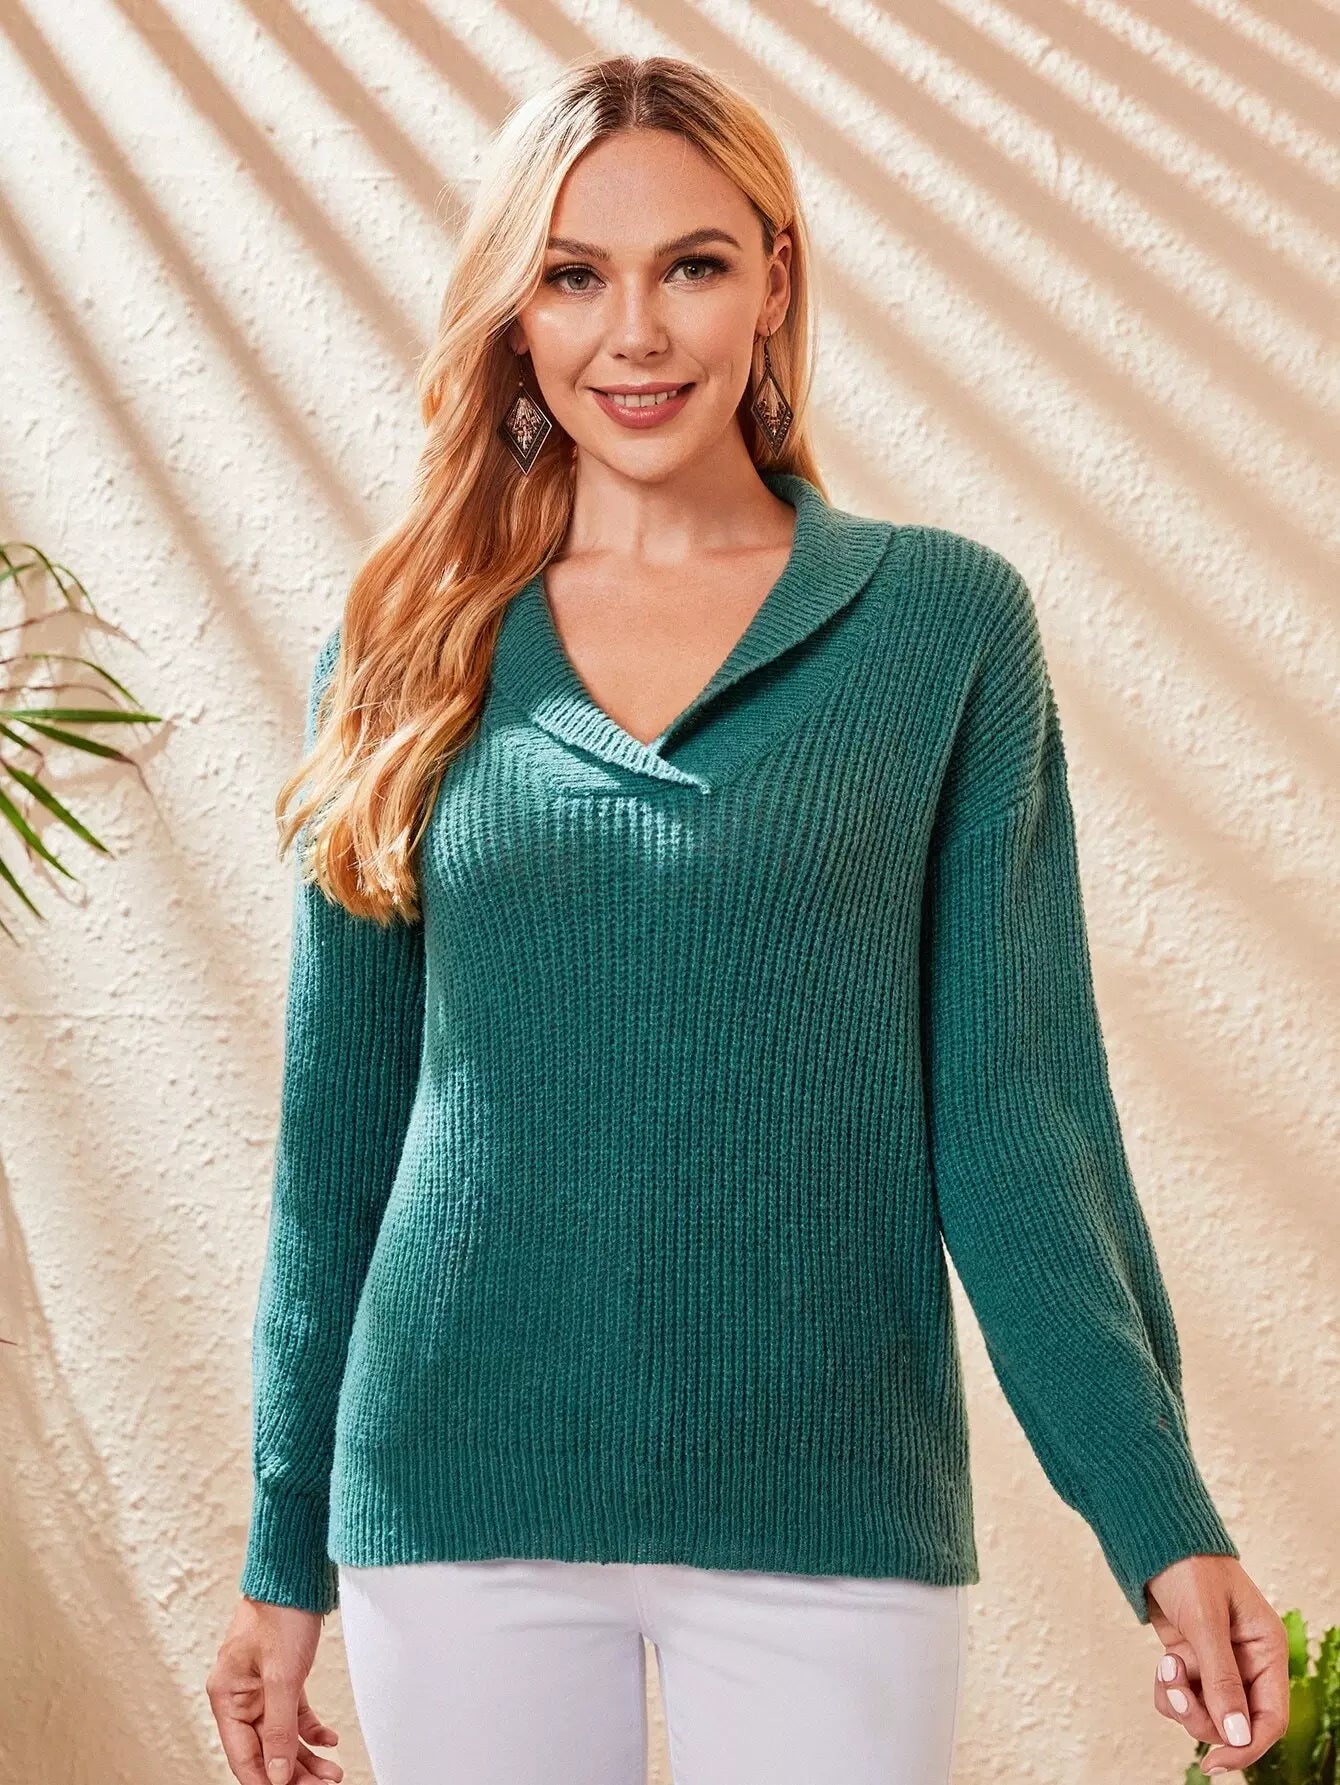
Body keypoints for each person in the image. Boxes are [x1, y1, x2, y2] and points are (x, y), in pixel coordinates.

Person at [206, 52, 1288, 1785]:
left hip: (832, 1502)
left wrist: (1160, 1519)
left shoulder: (943, 629)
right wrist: (281, 1558)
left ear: (775, 281)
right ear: (516, 312)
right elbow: (337, 1143)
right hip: (457, 1495)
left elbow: (1016, 1123)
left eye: (693, 265)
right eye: (575, 274)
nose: (634, 333)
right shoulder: (408, 650)